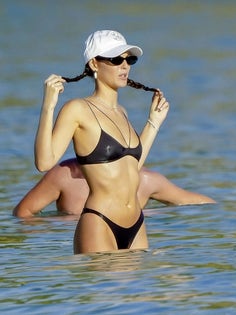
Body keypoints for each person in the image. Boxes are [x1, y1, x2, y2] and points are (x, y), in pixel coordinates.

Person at [35, 30, 169, 254]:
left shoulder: (122, 112)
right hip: (100, 221)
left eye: (130, 59)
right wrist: (48, 106)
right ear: (94, 64)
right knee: (105, 289)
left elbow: (131, 168)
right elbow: (44, 162)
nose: (125, 66)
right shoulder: (77, 109)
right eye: (116, 60)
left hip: (137, 223)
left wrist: (153, 123)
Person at [13, 158, 216, 218]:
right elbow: (22, 214)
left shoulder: (144, 180)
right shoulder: (65, 175)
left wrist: (148, 214)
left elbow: (203, 204)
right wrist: (60, 227)